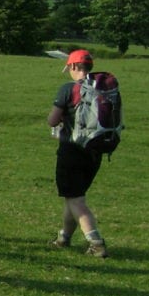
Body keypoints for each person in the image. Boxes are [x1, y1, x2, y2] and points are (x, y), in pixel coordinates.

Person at [47, 49, 109, 257]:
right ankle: (64, 238)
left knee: (76, 200)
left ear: (73, 66)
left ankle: (96, 242)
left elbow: (52, 120)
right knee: (74, 196)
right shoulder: (102, 89)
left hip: (72, 151)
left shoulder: (68, 89)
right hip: (95, 151)